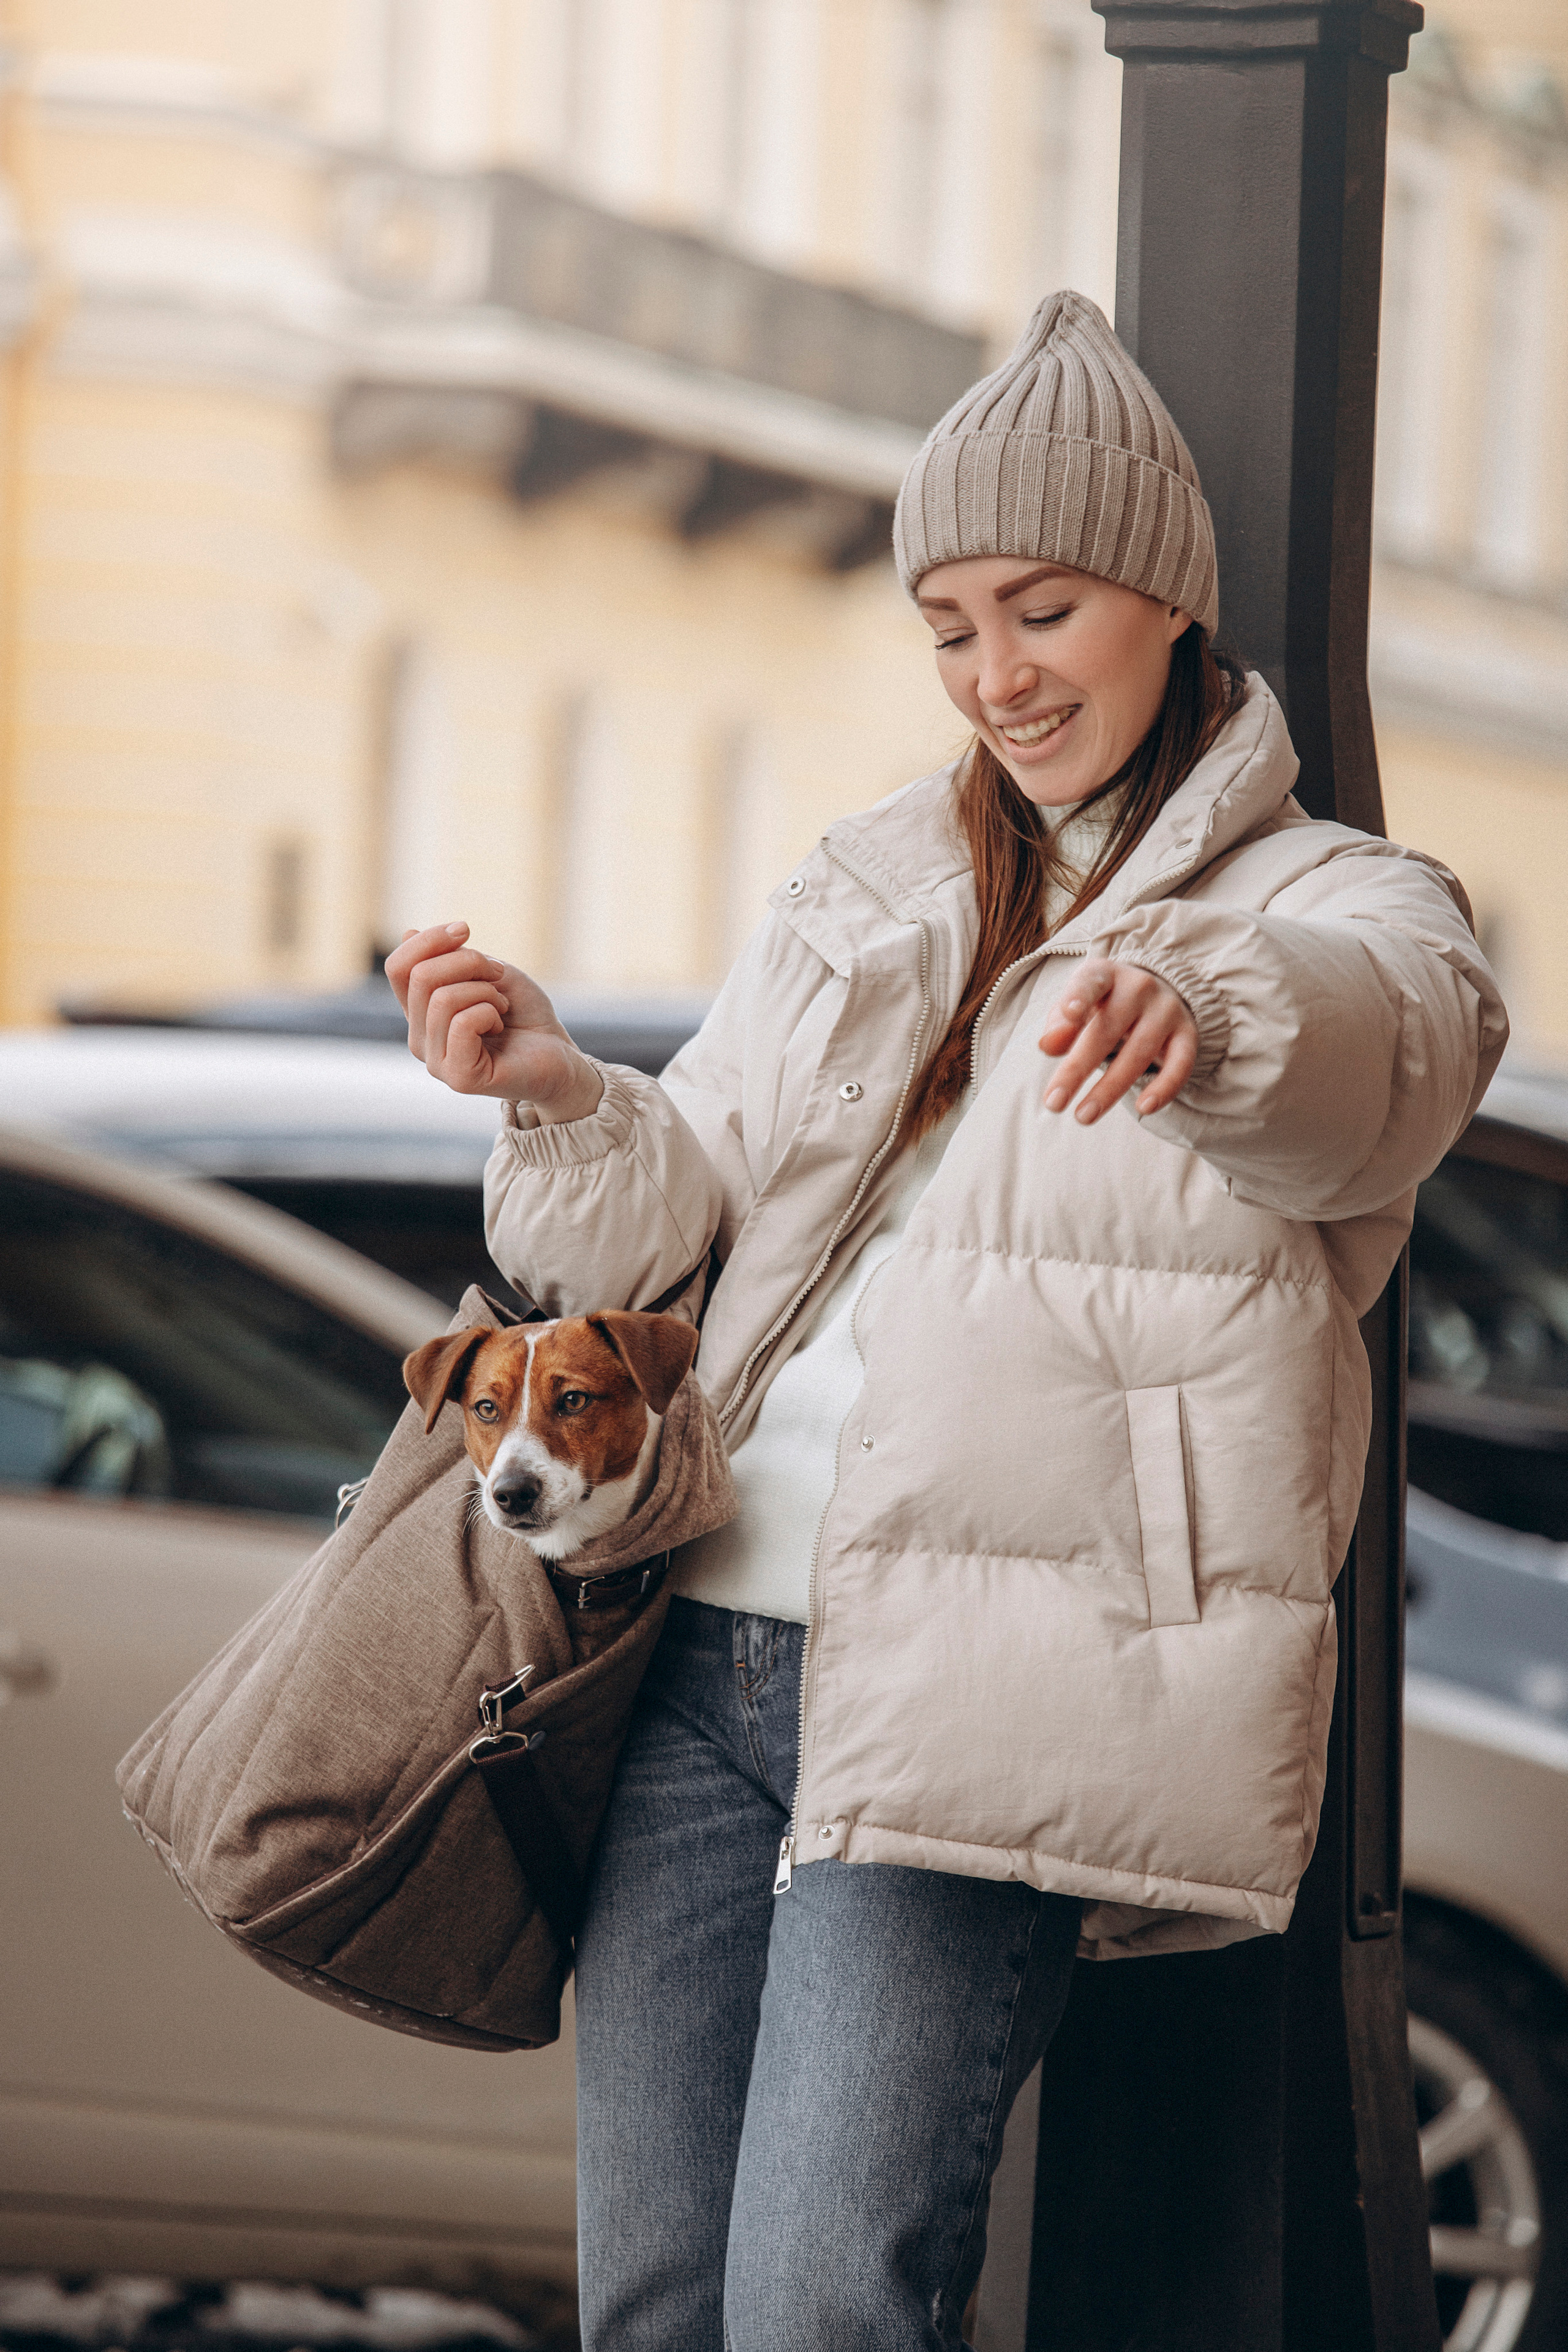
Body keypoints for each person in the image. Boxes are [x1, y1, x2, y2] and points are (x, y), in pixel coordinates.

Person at [387, 292, 1507, 2352]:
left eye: (1045, 611)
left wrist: (1209, 1012)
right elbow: (669, 1215)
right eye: (951, 627)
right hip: (701, 1650)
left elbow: (1390, 1056)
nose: (999, 675)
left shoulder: (1340, 903)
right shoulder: (870, 876)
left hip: (979, 1689)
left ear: (1168, 600)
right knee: (654, 2304)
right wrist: (557, 1095)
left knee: (823, 2305)